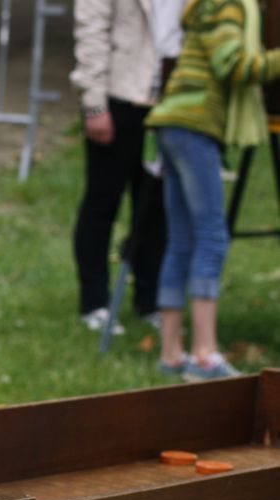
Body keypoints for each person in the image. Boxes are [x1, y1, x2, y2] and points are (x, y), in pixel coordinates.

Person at [147, 0, 280, 380]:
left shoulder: (204, 6)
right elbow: (234, 66)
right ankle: (205, 354)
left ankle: (172, 352)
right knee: (211, 237)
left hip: (173, 122)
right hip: (194, 126)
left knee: (182, 240)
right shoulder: (227, 5)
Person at [69, 0, 185, 335]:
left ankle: (148, 299)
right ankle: (94, 301)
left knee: (156, 207)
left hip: (170, 101)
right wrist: (94, 105)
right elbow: (92, 32)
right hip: (119, 98)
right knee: (102, 201)